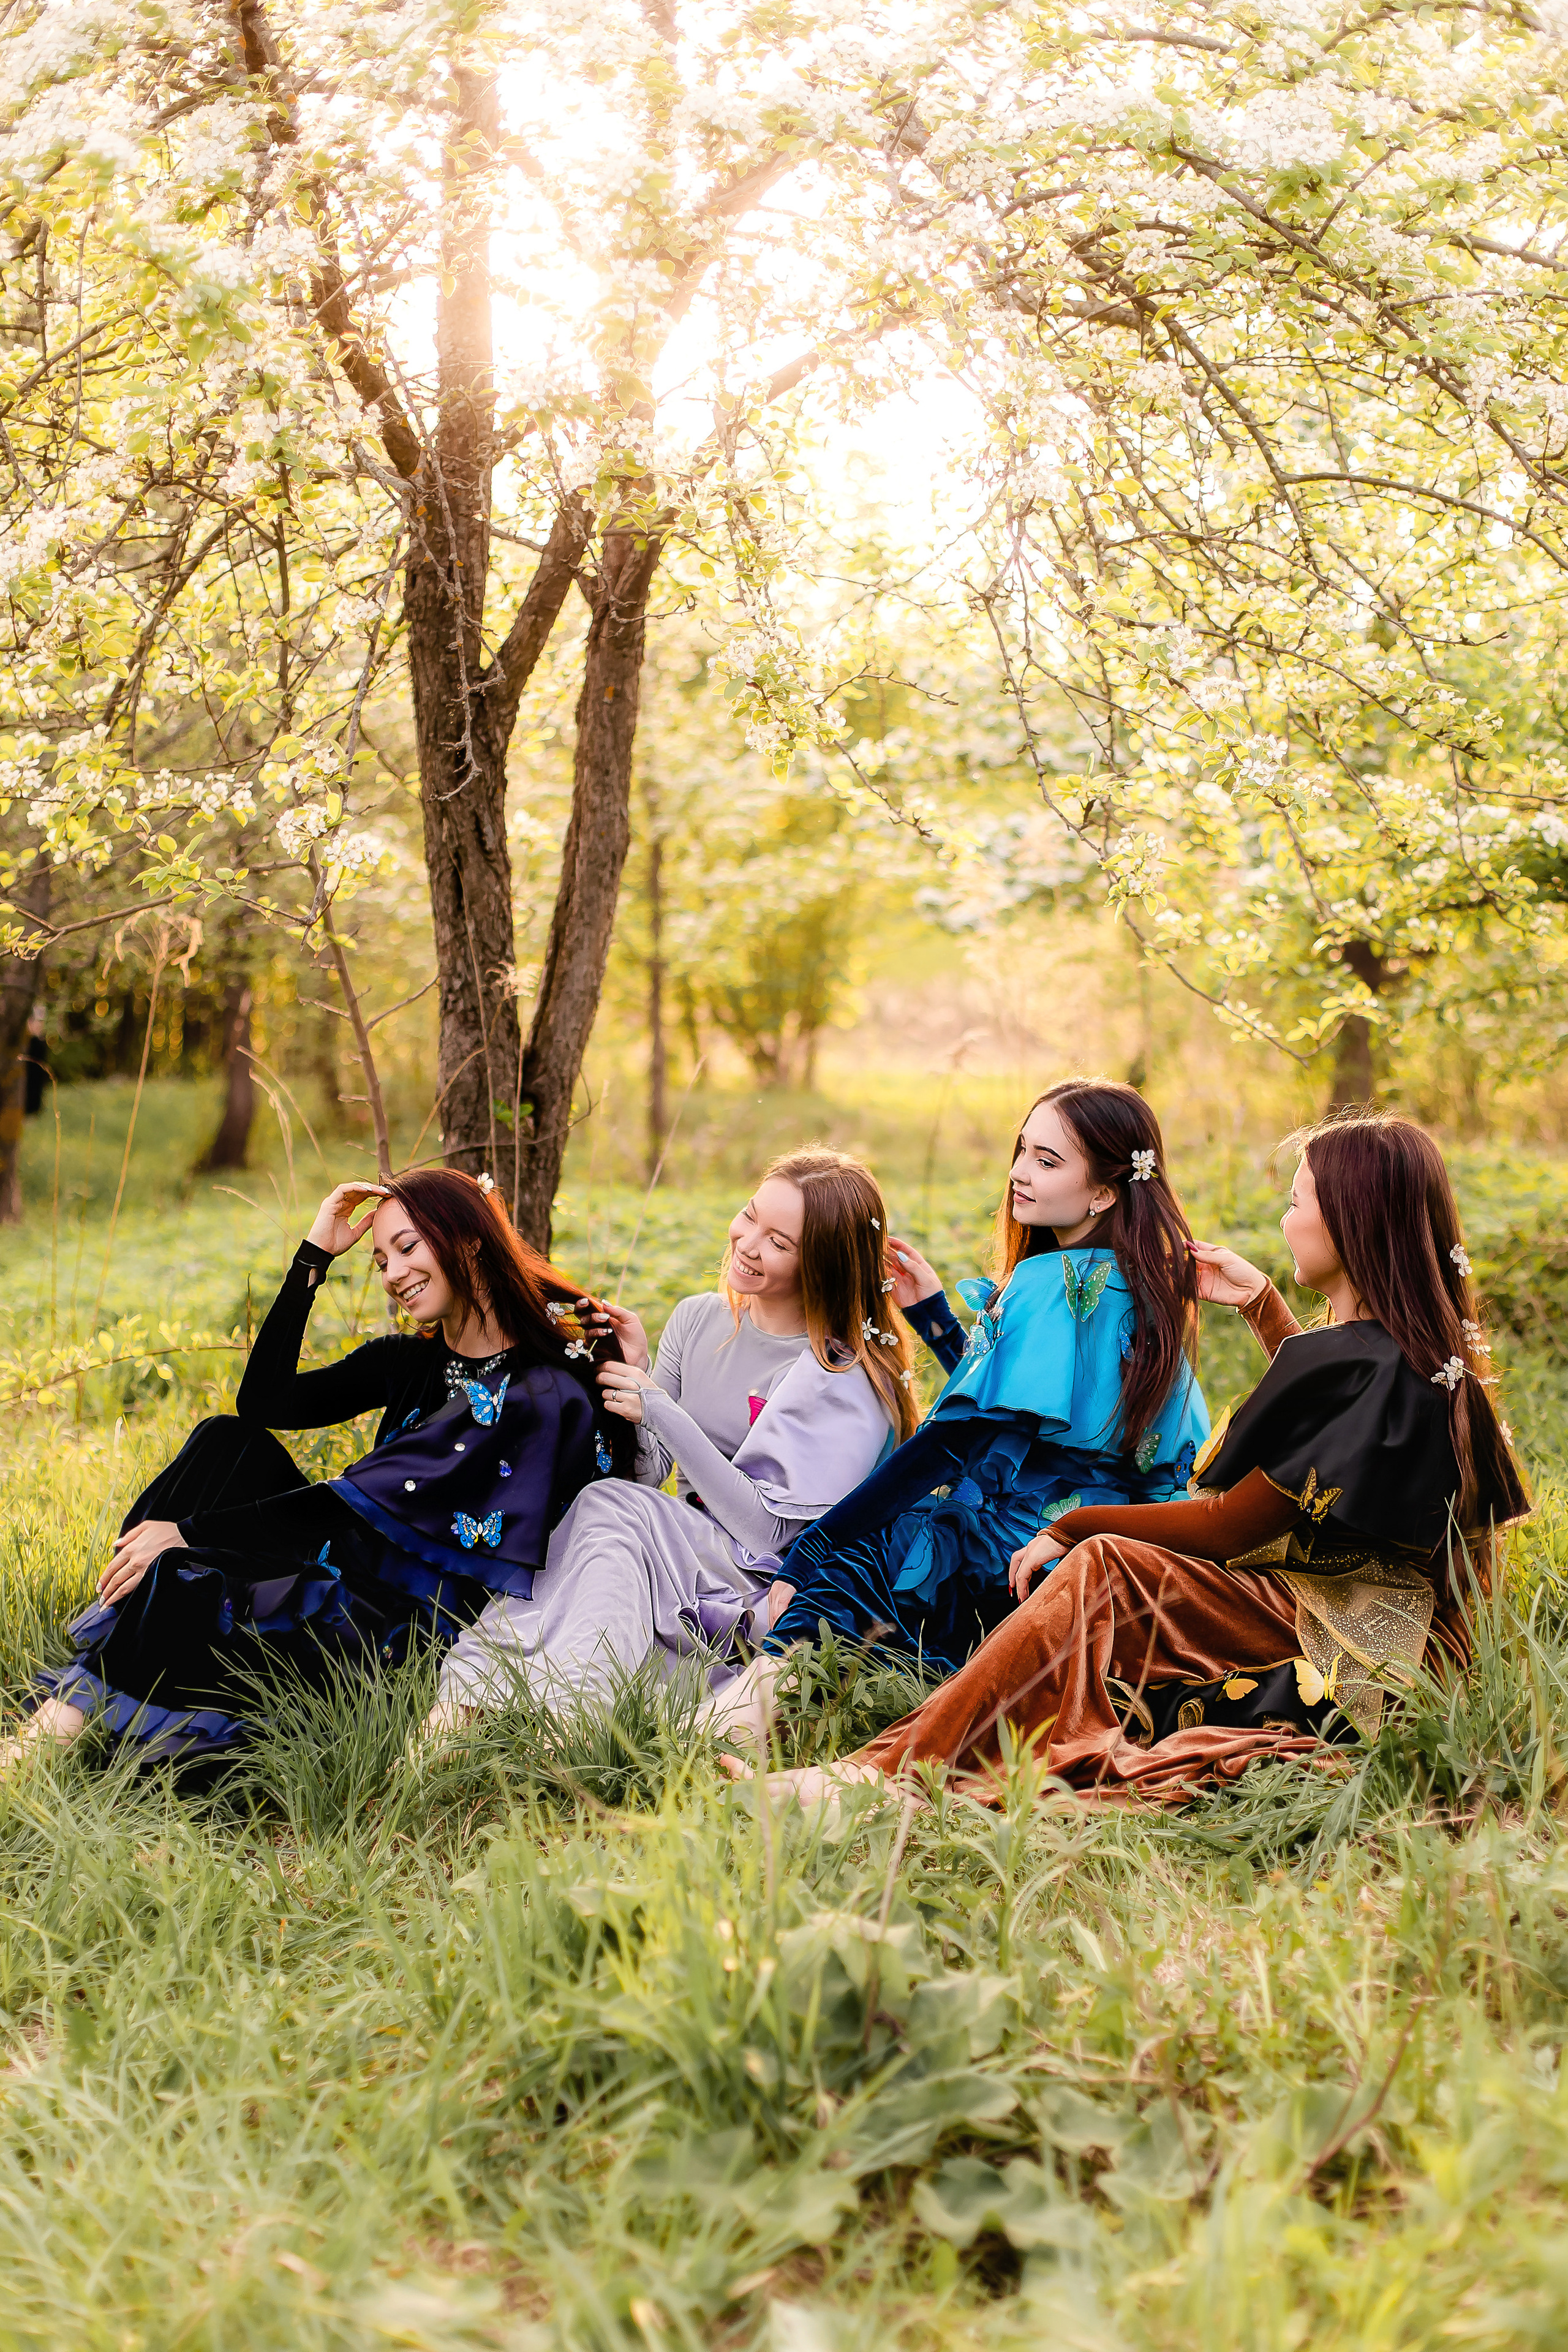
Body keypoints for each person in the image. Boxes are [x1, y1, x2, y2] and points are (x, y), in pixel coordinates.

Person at [728, 1110, 1530, 1810]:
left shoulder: (1376, 1360)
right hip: (1348, 1604)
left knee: (1107, 1568)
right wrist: (1263, 1308)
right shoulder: (1404, 1350)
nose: (1285, 1222)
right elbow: (1339, 1436)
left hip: (1347, 1634)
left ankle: (882, 1772)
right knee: (1089, 1575)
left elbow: (1233, 1522)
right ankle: (872, 1738)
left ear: (1352, 1224)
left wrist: (1074, 1525)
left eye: (1296, 1203)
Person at [1, 1169, 629, 1771]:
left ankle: (49, 1736)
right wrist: (314, 1256)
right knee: (226, 1442)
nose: (393, 1274)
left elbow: (349, 1501)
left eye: (407, 1248)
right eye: (381, 1261)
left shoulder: (538, 1391)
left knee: (187, 1568)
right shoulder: (409, 1361)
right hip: (344, 1555)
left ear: (467, 1240)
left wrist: (190, 1532)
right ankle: (115, 1629)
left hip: (396, 1619)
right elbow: (266, 1403)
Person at [702, 1080, 1211, 1733]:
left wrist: (816, 1543)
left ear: (1104, 1192)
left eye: (1047, 1162)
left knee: (875, 1545)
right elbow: (1030, 1420)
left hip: (1023, 1552)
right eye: (1022, 1150)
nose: (1019, 1174)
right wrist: (937, 1323)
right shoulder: (1143, 1282)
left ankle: (736, 1720)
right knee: (904, 1534)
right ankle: (824, 1697)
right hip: (1101, 1548)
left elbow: (953, 1442)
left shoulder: (1043, 1282)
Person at [429, 1150, 922, 1727]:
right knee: (603, 1524)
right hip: (677, 1546)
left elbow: (770, 1530)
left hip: (758, 1578)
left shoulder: (844, 1374)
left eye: (780, 1243)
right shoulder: (699, 1320)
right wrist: (642, 1382)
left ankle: (553, 1711)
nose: (748, 1242)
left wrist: (662, 1411)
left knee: (608, 1509)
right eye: (750, 1215)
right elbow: (645, 1475)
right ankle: (477, 1704)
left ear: (824, 1266)